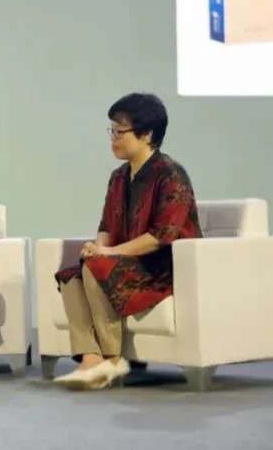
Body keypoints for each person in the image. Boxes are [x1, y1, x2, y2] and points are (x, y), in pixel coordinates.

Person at [52, 93, 201, 391]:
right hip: (127, 263)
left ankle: (112, 358)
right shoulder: (118, 177)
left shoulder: (171, 174)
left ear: (146, 134)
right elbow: (107, 224)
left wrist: (108, 253)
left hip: (161, 268)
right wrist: (98, 248)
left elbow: (161, 237)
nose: (113, 139)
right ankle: (90, 357)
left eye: (120, 132)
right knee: (71, 274)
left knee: (98, 267)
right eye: (111, 131)